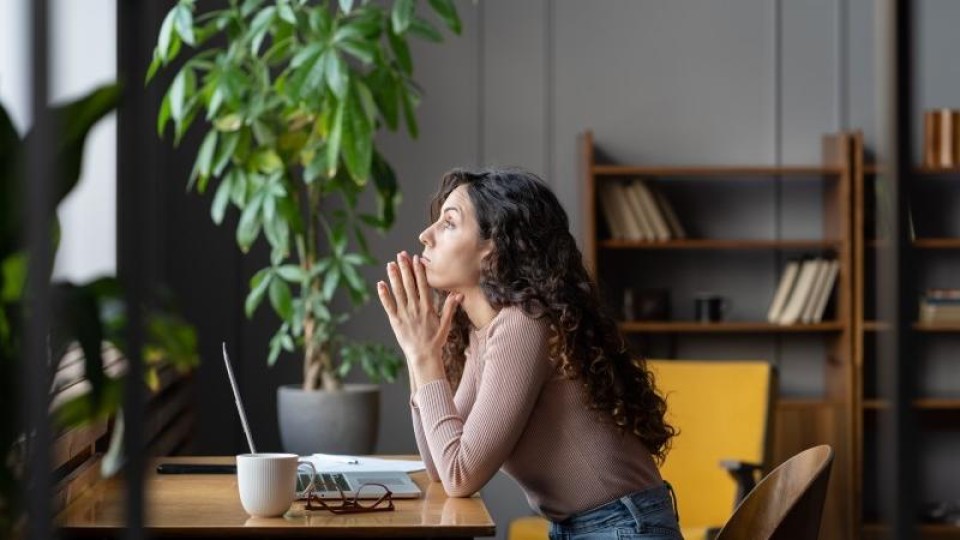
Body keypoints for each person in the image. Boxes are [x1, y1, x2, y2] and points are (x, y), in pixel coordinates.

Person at [376, 167, 682, 540]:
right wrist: (418, 353)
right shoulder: (485, 333)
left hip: (624, 528)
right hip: (590, 527)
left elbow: (460, 474)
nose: (426, 235)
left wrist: (425, 359)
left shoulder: (524, 324)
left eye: (449, 223)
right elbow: (441, 467)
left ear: (494, 247)